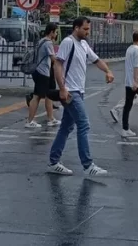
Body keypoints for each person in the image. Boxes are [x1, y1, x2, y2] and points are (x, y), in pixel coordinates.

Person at [47, 17, 114, 176]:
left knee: (66, 126)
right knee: (84, 124)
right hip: (71, 92)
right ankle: (88, 165)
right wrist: (62, 88)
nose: (87, 32)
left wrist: (108, 71)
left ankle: (53, 161)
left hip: (79, 91)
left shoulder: (83, 44)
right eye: (85, 29)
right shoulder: (68, 42)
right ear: (76, 28)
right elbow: (57, 64)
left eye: (88, 29)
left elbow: (96, 60)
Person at [24, 23, 59, 128]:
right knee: (37, 97)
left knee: (48, 95)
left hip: (39, 71)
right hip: (42, 72)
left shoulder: (41, 40)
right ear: (52, 32)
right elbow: (53, 59)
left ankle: (51, 118)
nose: (56, 34)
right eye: (56, 32)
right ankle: (30, 121)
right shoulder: (48, 43)